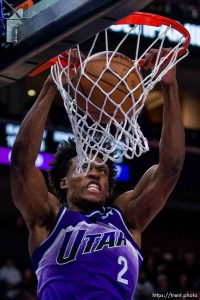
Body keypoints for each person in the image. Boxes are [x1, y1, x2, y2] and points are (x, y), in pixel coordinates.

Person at [10, 48, 185, 299]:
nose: (95, 174)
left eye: (101, 170)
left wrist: (170, 86)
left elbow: (171, 168)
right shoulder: (47, 220)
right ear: (64, 182)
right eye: (84, 167)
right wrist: (51, 85)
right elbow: (21, 163)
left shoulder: (126, 218)